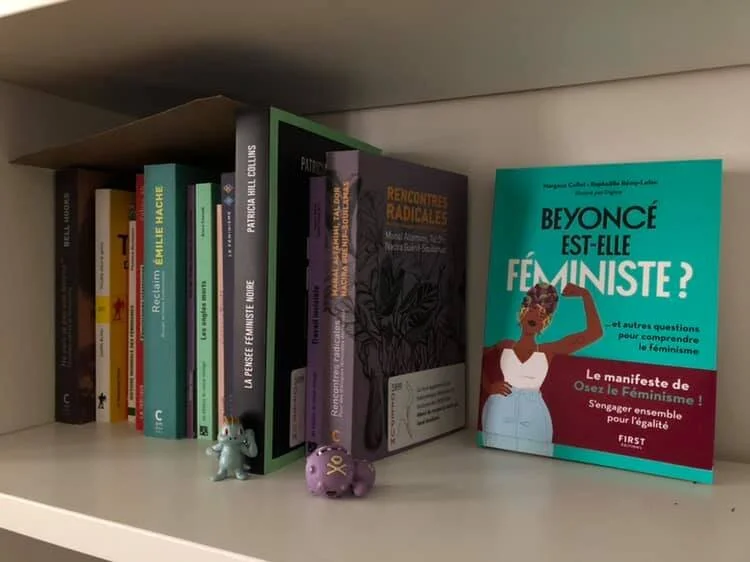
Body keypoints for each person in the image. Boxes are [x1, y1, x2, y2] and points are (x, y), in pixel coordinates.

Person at [479, 282, 603, 456]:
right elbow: (478, 355)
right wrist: (488, 387)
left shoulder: (548, 351)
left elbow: (595, 333)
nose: (535, 316)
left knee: (535, 461)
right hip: (499, 409)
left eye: (542, 314)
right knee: (493, 456)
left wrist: (586, 295)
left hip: (534, 414)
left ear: (545, 322)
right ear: (522, 312)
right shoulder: (505, 345)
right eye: (532, 309)